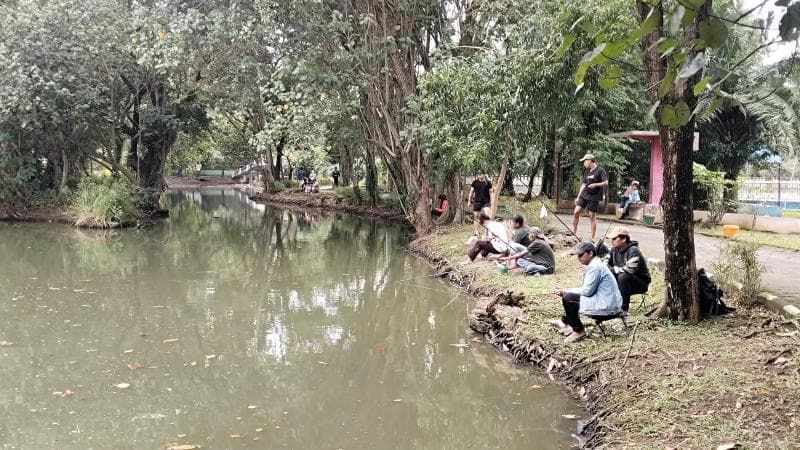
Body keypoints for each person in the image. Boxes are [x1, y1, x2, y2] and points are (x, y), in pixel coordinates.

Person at [550, 241, 622, 343]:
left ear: (590, 253)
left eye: (581, 255)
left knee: (569, 298)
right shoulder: (596, 264)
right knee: (570, 296)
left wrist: (565, 291)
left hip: (607, 308)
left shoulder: (595, 267)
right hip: (608, 303)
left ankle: (578, 330)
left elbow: (587, 291)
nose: (579, 258)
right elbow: (588, 289)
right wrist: (566, 290)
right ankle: (565, 322)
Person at [606, 227, 650, 312]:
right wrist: (600, 255)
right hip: (622, 280)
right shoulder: (614, 250)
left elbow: (629, 270)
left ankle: (623, 309)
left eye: (614, 238)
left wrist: (612, 269)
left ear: (623, 239)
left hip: (640, 283)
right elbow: (605, 265)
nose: (612, 241)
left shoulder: (633, 251)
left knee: (623, 276)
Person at [572, 154, 608, 240]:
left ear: (590, 161)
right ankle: (574, 232)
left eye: (585, 161)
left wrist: (595, 184)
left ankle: (592, 238)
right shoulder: (587, 171)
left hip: (594, 196)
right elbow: (583, 184)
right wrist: (578, 196)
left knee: (592, 216)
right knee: (576, 212)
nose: (584, 163)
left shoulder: (600, 170)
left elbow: (605, 182)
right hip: (584, 194)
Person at [468, 170, 493, 236]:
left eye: (481, 174)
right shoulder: (475, 182)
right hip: (477, 201)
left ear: (484, 174)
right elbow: (471, 191)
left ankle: (487, 232)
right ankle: (477, 232)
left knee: (487, 216)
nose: (479, 176)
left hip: (486, 202)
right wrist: (469, 201)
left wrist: (492, 201)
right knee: (476, 217)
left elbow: (491, 193)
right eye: (478, 174)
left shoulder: (488, 183)